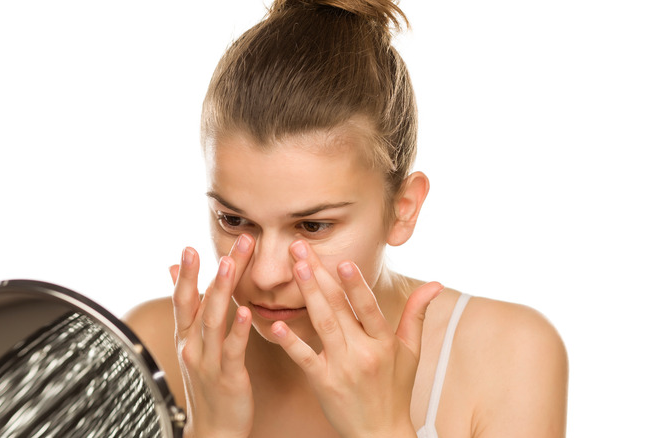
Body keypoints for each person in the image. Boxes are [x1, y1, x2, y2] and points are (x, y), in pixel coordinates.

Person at [123, 0, 568, 436]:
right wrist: (213, 431)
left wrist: (382, 428)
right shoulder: (151, 346)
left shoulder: (512, 356)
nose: (266, 274)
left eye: (313, 227)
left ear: (403, 209)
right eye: (234, 221)